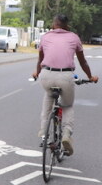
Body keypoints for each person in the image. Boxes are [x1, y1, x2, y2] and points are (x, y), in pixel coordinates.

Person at [31, 14, 98, 156]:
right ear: (66, 25)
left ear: (54, 24)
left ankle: (44, 133)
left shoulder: (45, 37)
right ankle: (66, 134)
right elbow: (83, 62)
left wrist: (37, 73)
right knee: (67, 106)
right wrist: (90, 77)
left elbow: (40, 60)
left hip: (46, 75)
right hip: (66, 76)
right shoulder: (74, 37)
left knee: (48, 101)